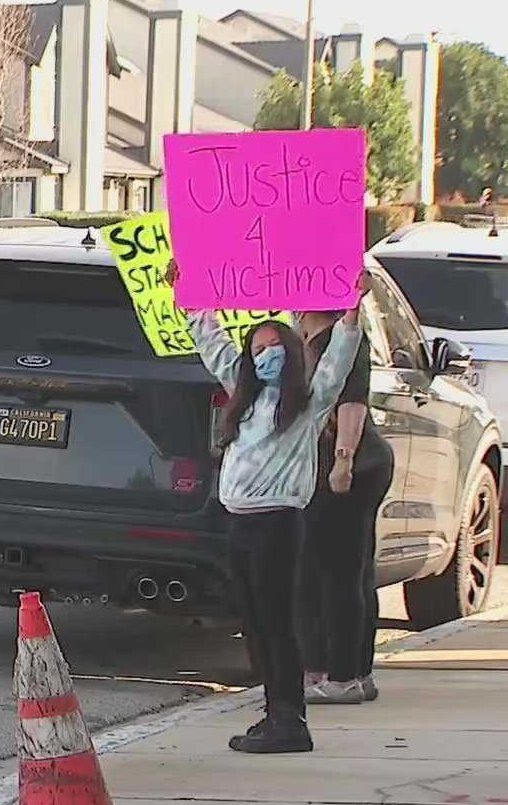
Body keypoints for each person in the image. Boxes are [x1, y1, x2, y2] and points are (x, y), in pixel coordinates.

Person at [169, 261, 367, 754]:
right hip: (239, 522)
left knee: (277, 621)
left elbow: (339, 364)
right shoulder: (246, 399)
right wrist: (189, 294)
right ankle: (273, 709)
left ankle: (290, 719)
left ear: (294, 354)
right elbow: (211, 345)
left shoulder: (306, 404)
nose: (267, 357)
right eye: (258, 350)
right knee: (254, 622)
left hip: (278, 523)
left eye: (276, 348)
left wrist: (349, 314)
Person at [296, 301, 394, 706]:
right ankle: (355, 671)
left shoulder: (342, 340)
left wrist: (342, 459)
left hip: (346, 465)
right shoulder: (304, 339)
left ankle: (337, 675)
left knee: (332, 572)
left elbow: (352, 402)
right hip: (345, 464)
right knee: (347, 570)